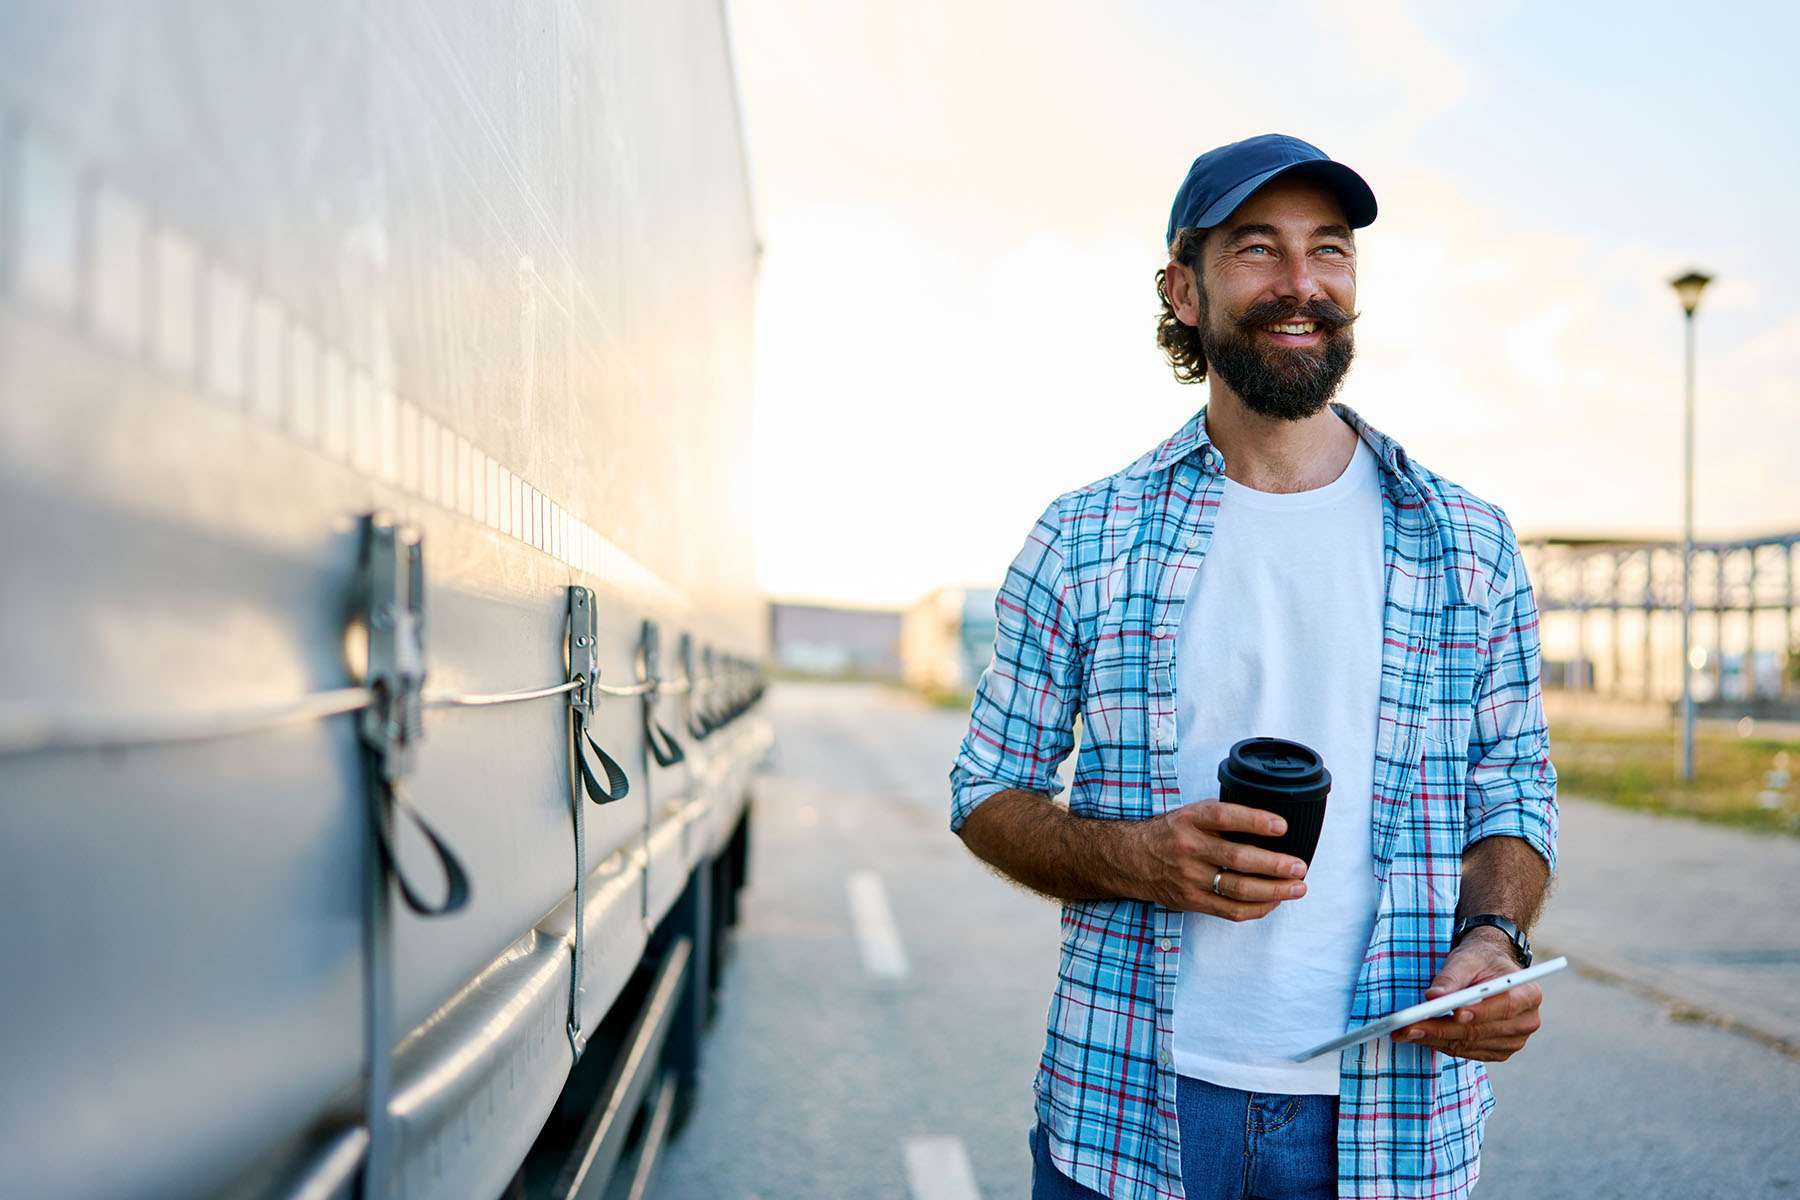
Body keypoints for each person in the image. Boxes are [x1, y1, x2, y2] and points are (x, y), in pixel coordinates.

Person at [948, 134, 1559, 1200]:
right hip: (1130, 1111)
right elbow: (985, 794)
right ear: (1183, 289)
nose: (1301, 284)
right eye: (1258, 251)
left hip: (1393, 1117)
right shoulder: (1088, 535)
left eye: (1330, 251)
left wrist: (1495, 939)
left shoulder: (1468, 539)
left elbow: (1513, 791)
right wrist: (1139, 859)